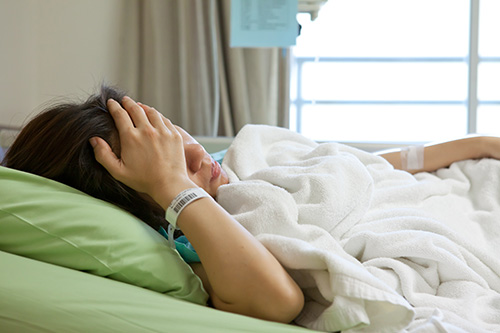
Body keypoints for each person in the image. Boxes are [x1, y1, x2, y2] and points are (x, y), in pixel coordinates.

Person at [3, 85, 500, 324]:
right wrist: (175, 186)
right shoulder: (193, 232)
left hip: (466, 182)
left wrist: (475, 145)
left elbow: (354, 164)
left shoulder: (226, 163)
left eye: (175, 133)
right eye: (174, 161)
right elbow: (277, 300)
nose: (198, 154)